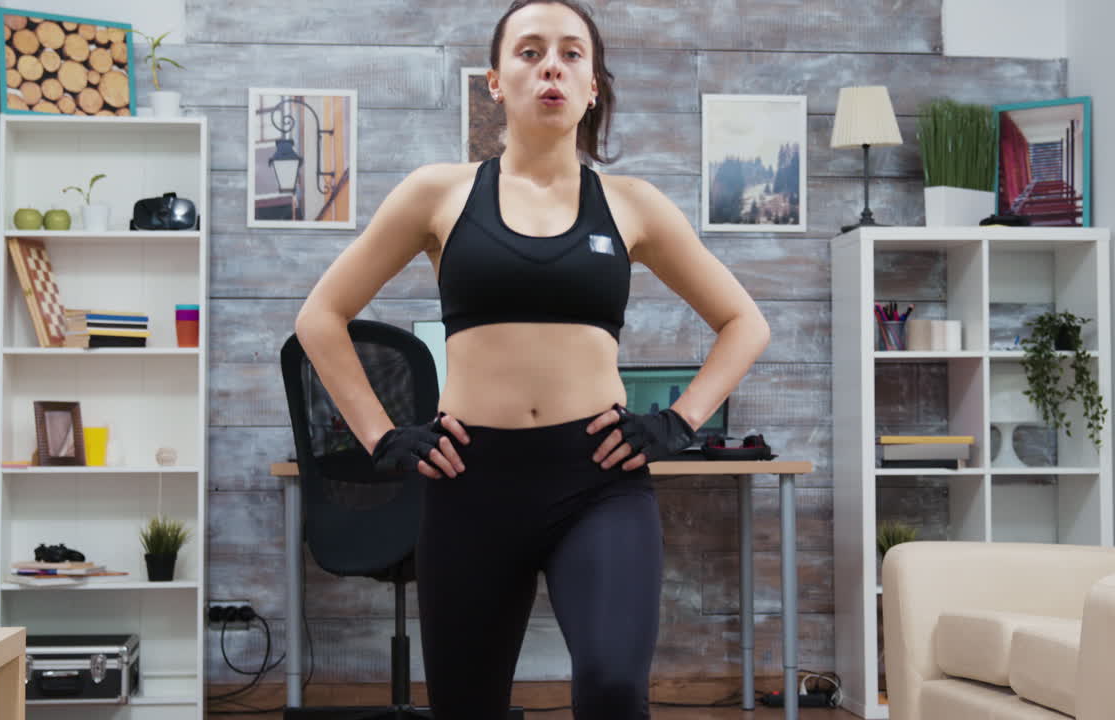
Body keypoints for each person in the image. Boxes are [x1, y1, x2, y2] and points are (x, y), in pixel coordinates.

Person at [294, 1, 771, 717]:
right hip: (471, 484)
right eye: (530, 51)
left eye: (572, 54)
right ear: (495, 81)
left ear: (592, 86)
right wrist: (382, 436)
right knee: (466, 706)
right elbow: (320, 317)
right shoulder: (438, 193)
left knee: (613, 685)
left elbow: (744, 323)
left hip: (597, 483)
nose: (552, 66)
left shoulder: (633, 204)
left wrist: (677, 423)